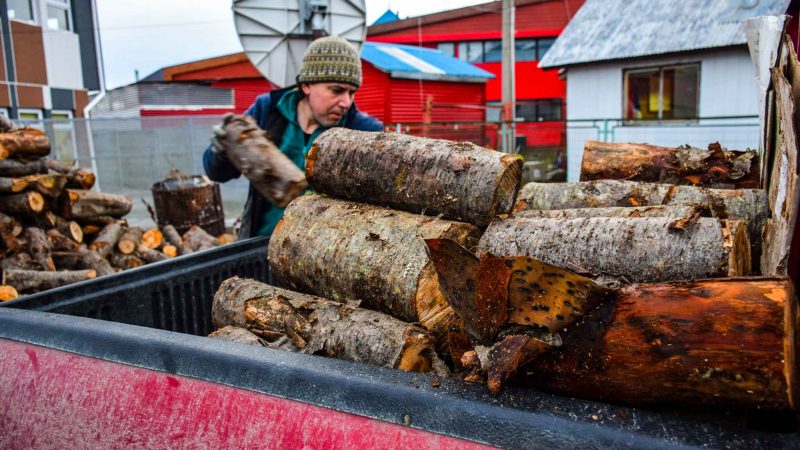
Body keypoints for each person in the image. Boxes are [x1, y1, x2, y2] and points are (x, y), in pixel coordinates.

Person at [203, 36, 383, 239]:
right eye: (337, 90)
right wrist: (222, 150)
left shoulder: (362, 131)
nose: (346, 102)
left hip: (325, 255)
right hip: (260, 245)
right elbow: (218, 173)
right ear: (306, 86)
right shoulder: (268, 111)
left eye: (352, 93)